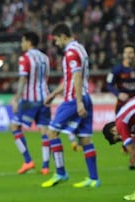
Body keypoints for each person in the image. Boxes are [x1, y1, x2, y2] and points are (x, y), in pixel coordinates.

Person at [41, 23, 100, 188]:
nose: (56, 44)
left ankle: (60, 173)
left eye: (56, 40)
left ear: (63, 36)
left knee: (52, 132)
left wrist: (79, 102)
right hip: (84, 96)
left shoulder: (71, 52)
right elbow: (70, 79)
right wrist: (53, 94)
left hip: (74, 99)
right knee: (85, 138)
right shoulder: (80, 49)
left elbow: (76, 77)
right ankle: (94, 178)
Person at [10, 31, 51, 175]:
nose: (22, 44)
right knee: (45, 131)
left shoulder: (25, 58)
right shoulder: (45, 58)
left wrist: (16, 99)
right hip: (45, 97)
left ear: (28, 42)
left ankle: (28, 160)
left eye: (23, 41)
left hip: (30, 99)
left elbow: (23, 80)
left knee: (15, 126)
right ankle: (46, 166)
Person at [106, 43, 135, 169]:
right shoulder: (117, 70)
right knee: (125, 132)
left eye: (131, 52)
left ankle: (134, 159)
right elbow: (109, 84)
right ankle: (132, 155)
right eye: (127, 53)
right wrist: (118, 94)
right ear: (123, 55)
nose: (129, 55)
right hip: (122, 106)